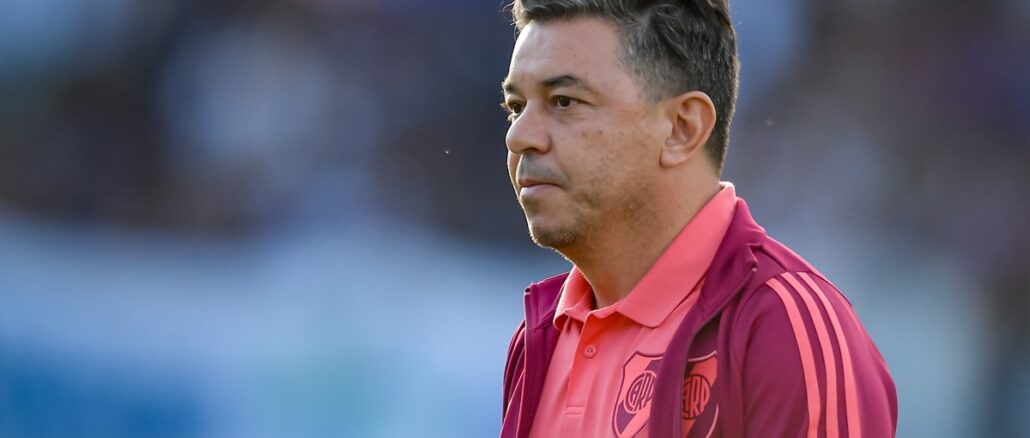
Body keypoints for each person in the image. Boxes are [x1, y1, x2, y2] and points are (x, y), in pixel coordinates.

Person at [498, 1, 898, 437]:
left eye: (564, 101)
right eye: (516, 106)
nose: (519, 136)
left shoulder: (784, 327)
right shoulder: (539, 337)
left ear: (682, 128)